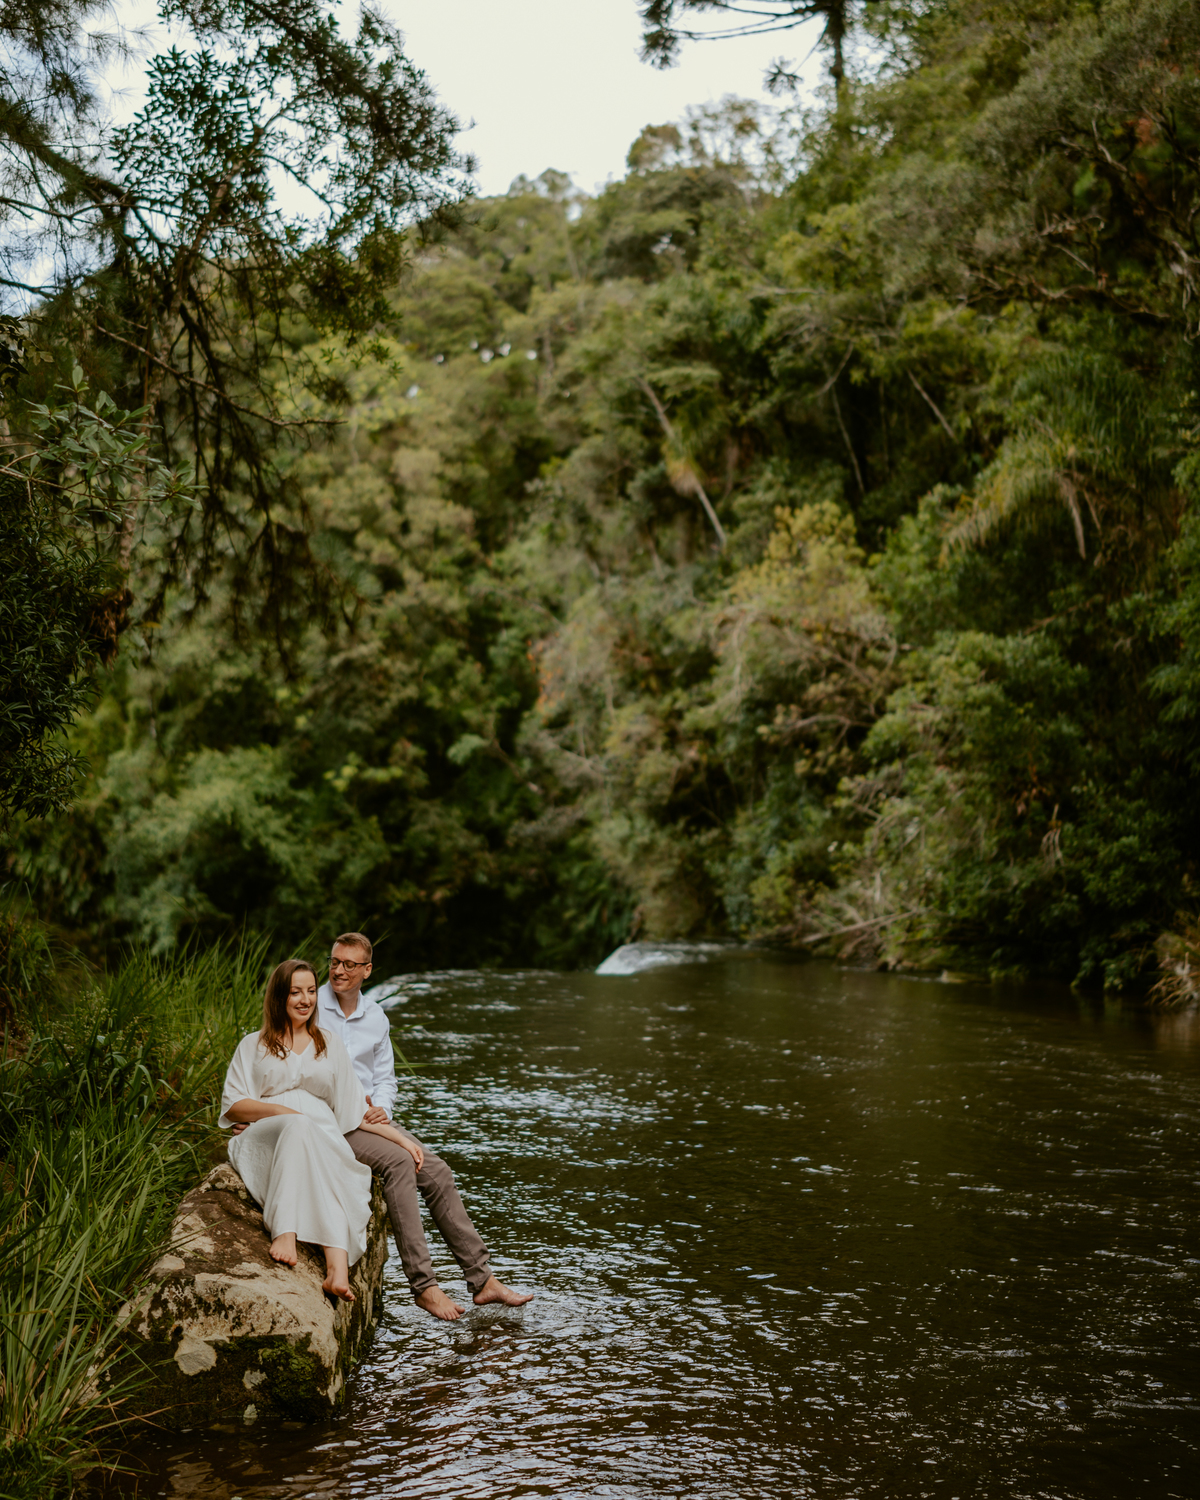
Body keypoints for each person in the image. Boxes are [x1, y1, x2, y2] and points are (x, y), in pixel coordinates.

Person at [317, 931, 534, 1321]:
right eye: (335, 962)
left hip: (370, 1119)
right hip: (333, 1120)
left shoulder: (376, 1017)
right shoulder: (312, 1007)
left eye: (350, 964)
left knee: (436, 1171)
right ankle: (424, 1285)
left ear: (367, 970)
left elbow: (385, 1079)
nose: (339, 970)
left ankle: (483, 1280)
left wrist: (382, 1109)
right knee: (401, 1162)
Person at [219, 957, 424, 1303]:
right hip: (268, 1134)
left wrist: (399, 1138)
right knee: (299, 1124)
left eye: (312, 991)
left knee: (334, 1166)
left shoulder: (328, 1043)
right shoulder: (253, 1044)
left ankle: (336, 1272)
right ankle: (284, 1231)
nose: (305, 999)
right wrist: (280, 1111)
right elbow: (234, 1105)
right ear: (278, 997)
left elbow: (355, 1107)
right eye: (295, 992)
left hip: (320, 1134)